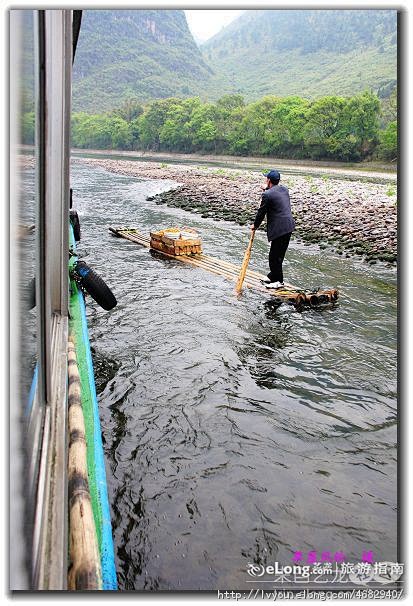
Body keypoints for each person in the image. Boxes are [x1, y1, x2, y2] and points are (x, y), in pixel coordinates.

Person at [250, 169, 295, 289]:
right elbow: (274, 193)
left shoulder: (267, 195)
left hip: (280, 228)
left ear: (268, 180)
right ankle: (272, 276)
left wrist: (255, 226)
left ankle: (279, 281)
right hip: (288, 225)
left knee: (275, 257)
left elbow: (261, 212)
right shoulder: (284, 189)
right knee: (276, 254)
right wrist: (266, 189)